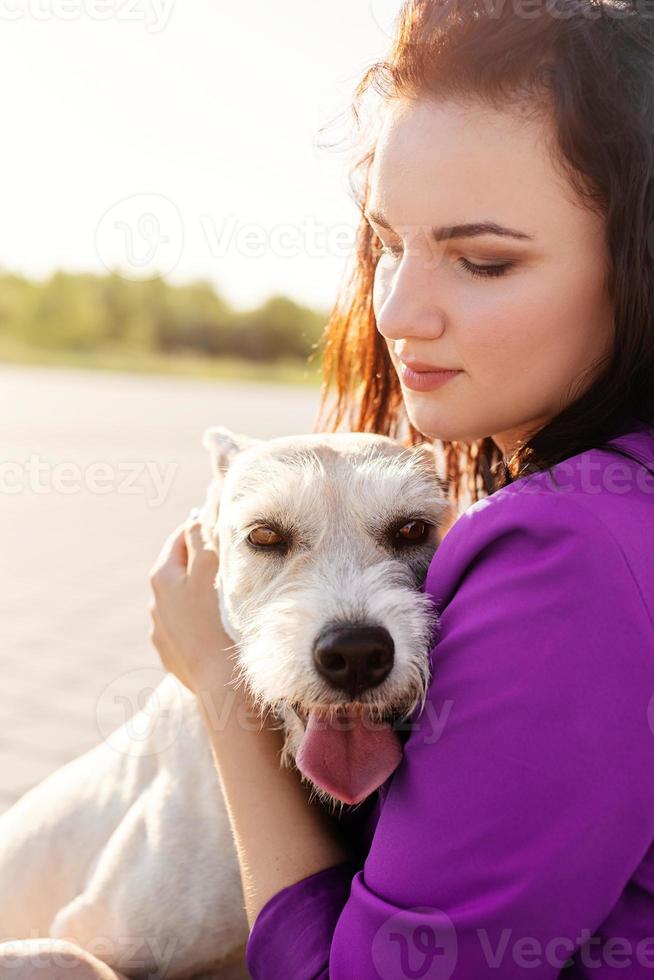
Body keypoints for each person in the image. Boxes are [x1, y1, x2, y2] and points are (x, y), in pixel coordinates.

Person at [5, 0, 654, 977]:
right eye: (388, 242)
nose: (394, 311)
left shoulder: (570, 547)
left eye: (484, 259)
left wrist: (218, 682)